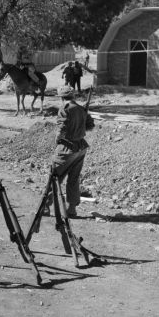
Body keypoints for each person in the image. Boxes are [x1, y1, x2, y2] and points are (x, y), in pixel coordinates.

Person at [45, 85, 95, 218]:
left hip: (67, 148)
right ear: (73, 96)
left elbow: (62, 129)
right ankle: (71, 209)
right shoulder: (80, 109)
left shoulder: (65, 109)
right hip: (81, 147)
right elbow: (90, 126)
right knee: (74, 179)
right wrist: (81, 121)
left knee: (55, 176)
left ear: (61, 97)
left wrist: (57, 141)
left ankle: (45, 207)